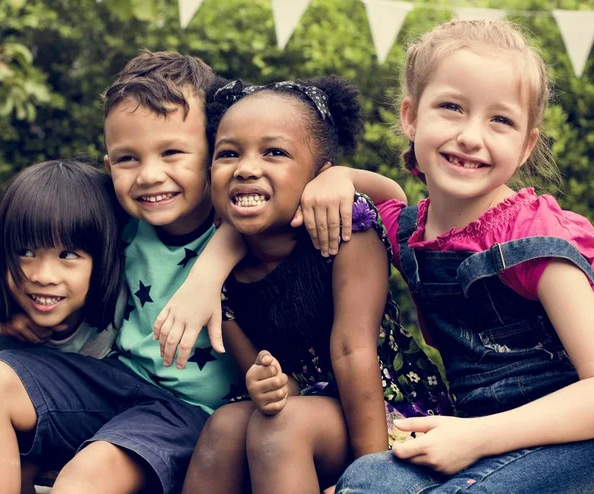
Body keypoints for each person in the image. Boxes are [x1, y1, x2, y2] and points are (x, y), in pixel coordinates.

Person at [328, 19, 594, 492]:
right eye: (452, 107)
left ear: (526, 144)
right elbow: (386, 197)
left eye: (501, 120)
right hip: (482, 438)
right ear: (411, 117)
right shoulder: (411, 231)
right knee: (365, 479)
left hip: (572, 441)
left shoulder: (533, 239)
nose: (472, 136)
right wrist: (337, 176)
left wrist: (477, 437)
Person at [181, 75, 452, 494]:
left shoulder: (345, 225)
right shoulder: (219, 276)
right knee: (225, 426)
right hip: (309, 406)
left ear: (318, 177)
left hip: (384, 410)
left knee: (280, 428)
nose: (247, 167)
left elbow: (352, 349)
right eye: (228, 153)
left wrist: (373, 478)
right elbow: (267, 373)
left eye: (274, 152)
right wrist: (267, 383)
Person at [0, 50, 241, 494]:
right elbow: (47, 251)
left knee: (85, 478)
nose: (149, 175)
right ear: (109, 167)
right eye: (128, 159)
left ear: (215, 154)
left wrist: (211, 267)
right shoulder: (121, 218)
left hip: (186, 412)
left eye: (171, 152)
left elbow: (363, 190)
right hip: (112, 381)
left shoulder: (242, 217)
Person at [0, 159, 126, 358]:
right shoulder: (6, 335)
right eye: (26, 253)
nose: (44, 277)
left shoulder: (133, 311)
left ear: (104, 259)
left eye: (68, 255)